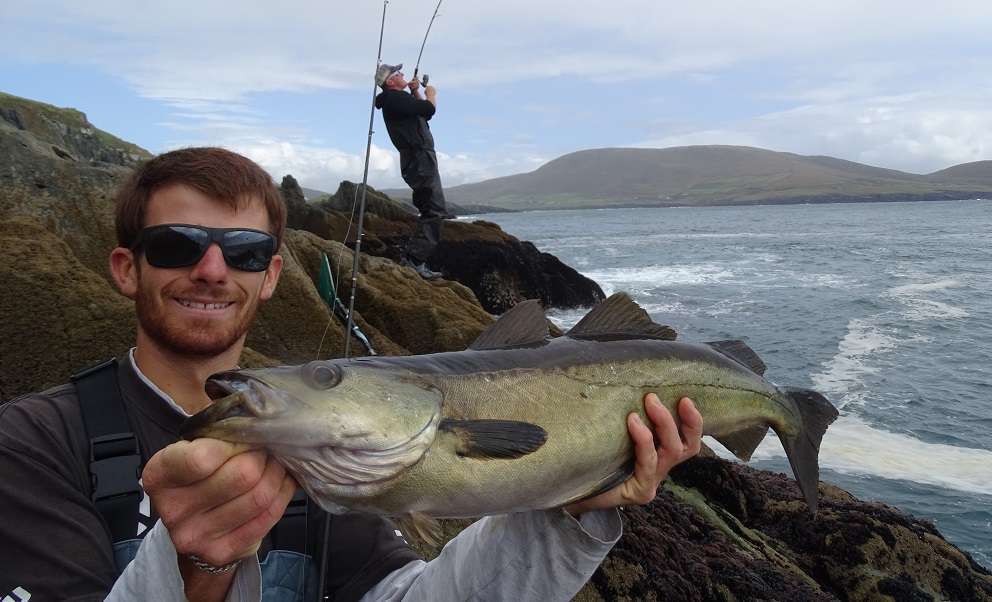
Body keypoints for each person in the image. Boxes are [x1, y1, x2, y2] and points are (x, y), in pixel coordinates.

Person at [0, 146, 704, 602]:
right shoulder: (34, 443)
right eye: (177, 245)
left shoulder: (323, 451)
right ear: (126, 267)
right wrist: (192, 572)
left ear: (274, 275)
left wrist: (570, 512)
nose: (211, 270)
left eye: (243, 252)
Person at [374, 63, 447, 279]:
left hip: (418, 157)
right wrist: (430, 93)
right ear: (390, 82)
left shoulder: (398, 100)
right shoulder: (395, 99)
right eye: (398, 74)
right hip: (419, 158)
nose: (403, 74)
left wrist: (415, 91)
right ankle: (415, 260)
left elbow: (422, 115)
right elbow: (429, 109)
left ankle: (415, 259)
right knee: (434, 209)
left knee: (430, 207)